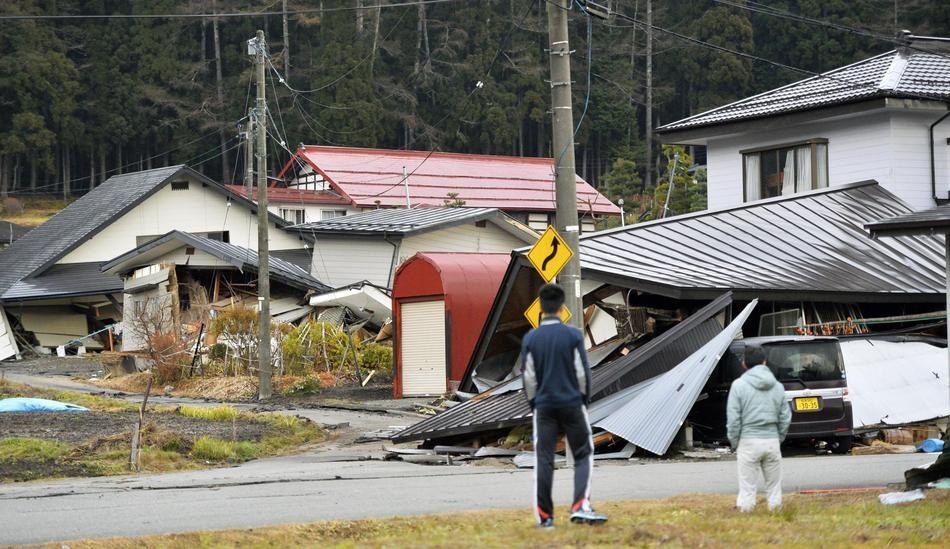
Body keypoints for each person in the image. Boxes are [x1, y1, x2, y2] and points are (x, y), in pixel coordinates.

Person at [521, 283, 606, 528]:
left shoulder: (532, 338)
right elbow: (582, 372)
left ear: (541, 307)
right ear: (561, 307)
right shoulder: (572, 335)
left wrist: (534, 403)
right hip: (571, 403)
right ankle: (580, 505)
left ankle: (545, 517)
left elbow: (528, 377)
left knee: (544, 458)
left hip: (544, 406)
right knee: (582, 453)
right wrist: (584, 398)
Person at [727, 345, 793, 512]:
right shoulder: (777, 386)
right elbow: (785, 416)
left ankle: (747, 519)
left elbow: (734, 419)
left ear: (744, 364)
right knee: (774, 487)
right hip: (771, 440)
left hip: (748, 441)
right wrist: (778, 438)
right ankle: (777, 516)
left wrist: (735, 442)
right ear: (764, 362)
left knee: (747, 488)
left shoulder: (738, 385)